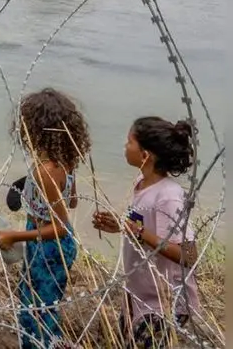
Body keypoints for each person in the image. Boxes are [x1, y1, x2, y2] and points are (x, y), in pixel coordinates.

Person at [92, 117, 201, 349]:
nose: (124, 146)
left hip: (164, 301)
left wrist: (139, 232)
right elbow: (144, 229)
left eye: (129, 142)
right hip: (139, 291)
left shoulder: (169, 196)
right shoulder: (142, 182)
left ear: (145, 155)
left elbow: (189, 255)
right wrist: (120, 226)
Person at [0, 88, 88, 349]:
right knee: (43, 306)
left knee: (35, 313)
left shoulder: (46, 171)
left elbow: (57, 228)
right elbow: (72, 202)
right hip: (51, 246)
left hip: (49, 247)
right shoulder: (66, 162)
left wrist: (14, 236)